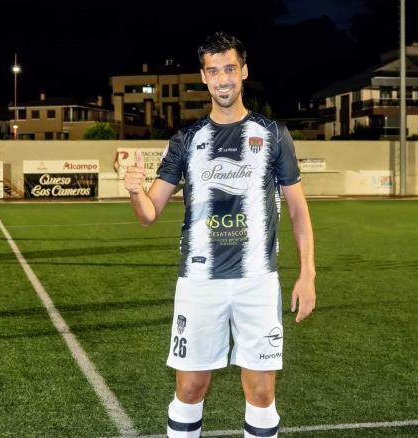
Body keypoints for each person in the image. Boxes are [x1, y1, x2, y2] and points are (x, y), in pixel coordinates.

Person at [125, 32, 316, 438]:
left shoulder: (273, 134)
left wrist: (308, 274)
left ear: (244, 72)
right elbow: (149, 213)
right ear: (204, 77)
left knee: (262, 393)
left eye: (230, 68)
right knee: (192, 387)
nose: (223, 78)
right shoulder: (186, 140)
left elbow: (298, 209)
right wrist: (132, 190)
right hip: (199, 282)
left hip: (257, 281)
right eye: (214, 71)